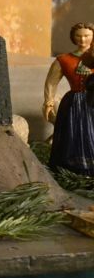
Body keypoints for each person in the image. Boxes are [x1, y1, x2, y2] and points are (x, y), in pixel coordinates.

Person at [43, 22, 94, 176]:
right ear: (73, 37)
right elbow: (51, 82)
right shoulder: (63, 59)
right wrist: (48, 102)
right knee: (73, 134)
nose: (82, 39)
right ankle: (72, 169)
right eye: (78, 36)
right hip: (74, 103)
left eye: (86, 36)